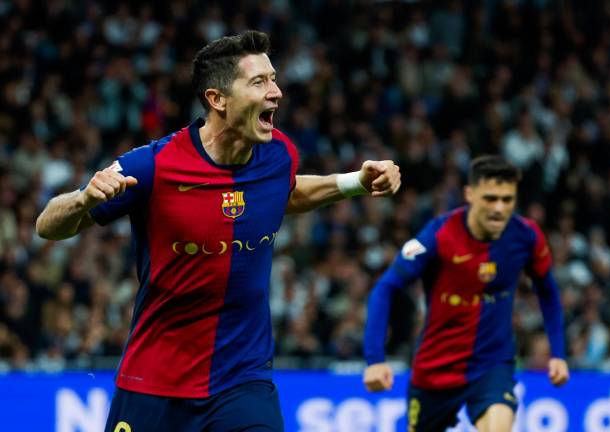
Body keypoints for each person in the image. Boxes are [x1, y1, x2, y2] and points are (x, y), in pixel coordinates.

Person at [35, 30, 401, 432]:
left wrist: (356, 182)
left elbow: (287, 192)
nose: (276, 91)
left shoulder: (278, 155)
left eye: (274, 78)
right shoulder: (153, 166)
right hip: (156, 381)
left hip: (242, 381)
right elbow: (47, 226)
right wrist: (83, 200)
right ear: (218, 99)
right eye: (259, 82)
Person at [362, 155, 569, 432]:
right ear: (469, 193)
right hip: (435, 369)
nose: (499, 208)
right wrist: (375, 359)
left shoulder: (526, 236)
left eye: (507, 200)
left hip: (492, 365)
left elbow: (548, 291)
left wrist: (558, 352)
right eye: (490, 198)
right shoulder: (439, 234)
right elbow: (385, 288)